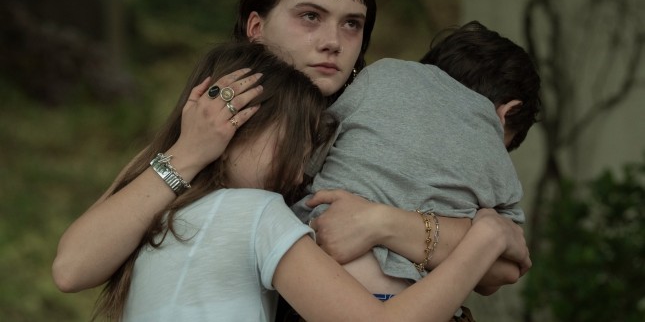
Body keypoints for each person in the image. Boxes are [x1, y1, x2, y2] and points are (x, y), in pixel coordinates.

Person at [53, 0, 525, 304]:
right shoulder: (212, 121)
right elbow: (73, 268)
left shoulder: (377, 127)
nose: (332, 41)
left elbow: (502, 268)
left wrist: (383, 223)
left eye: (352, 24)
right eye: (310, 16)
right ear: (256, 27)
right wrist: (188, 153)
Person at [92, 41, 531, 322]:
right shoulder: (254, 212)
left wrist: (382, 223)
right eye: (295, 143)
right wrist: (485, 237)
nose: (301, 171)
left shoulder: (171, 207)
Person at [291, 21, 541, 315]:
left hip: (319, 290)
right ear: (506, 113)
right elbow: (510, 261)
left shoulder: (382, 75)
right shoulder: (491, 146)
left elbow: (309, 157)